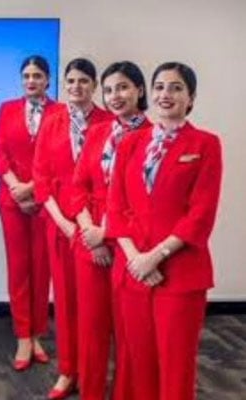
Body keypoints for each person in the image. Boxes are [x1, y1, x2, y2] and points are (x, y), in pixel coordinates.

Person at [107, 62, 222, 400]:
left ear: (191, 97)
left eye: (175, 88)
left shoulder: (206, 144)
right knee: (138, 360)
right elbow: (116, 208)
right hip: (133, 274)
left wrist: (155, 257)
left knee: (175, 364)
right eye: (159, 87)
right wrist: (136, 260)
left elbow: (200, 215)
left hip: (179, 273)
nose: (165, 94)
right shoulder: (130, 143)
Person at [33, 58, 113, 399]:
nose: (76, 87)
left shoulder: (111, 122)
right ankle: (68, 372)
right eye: (70, 82)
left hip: (100, 229)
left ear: (94, 86)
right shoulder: (52, 122)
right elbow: (40, 179)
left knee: (96, 310)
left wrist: (96, 229)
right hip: (61, 225)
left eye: (83, 81)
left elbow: (118, 181)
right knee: (64, 304)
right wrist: (65, 224)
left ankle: (95, 377)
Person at [70, 61, 151, 400]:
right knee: (91, 330)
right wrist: (90, 231)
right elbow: (77, 187)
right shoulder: (99, 132)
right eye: (109, 90)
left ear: (140, 91)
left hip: (133, 245)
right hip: (90, 241)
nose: (115, 96)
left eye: (123, 88)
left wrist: (108, 234)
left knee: (131, 333)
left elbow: (150, 202)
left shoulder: (154, 137)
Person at [0, 55, 61, 371]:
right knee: (19, 268)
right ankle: (22, 335)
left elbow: (60, 158)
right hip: (12, 200)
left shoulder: (60, 112)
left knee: (42, 268)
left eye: (37, 76)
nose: (31, 81)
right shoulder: (7, 109)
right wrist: (17, 188)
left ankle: (37, 334)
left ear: (48, 80)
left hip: (46, 201)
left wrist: (33, 187)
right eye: (26, 76)